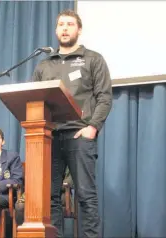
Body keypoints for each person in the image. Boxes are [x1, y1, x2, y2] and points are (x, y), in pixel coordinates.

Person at [31, 9, 113, 237]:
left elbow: (105, 97)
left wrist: (92, 127)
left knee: (86, 195)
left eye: (69, 24)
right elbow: (33, 101)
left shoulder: (92, 59)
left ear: (79, 30)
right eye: (61, 25)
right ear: (56, 30)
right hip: (50, 138)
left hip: (80, 135)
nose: (65, 28)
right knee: (50, 197)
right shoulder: (43, 66)